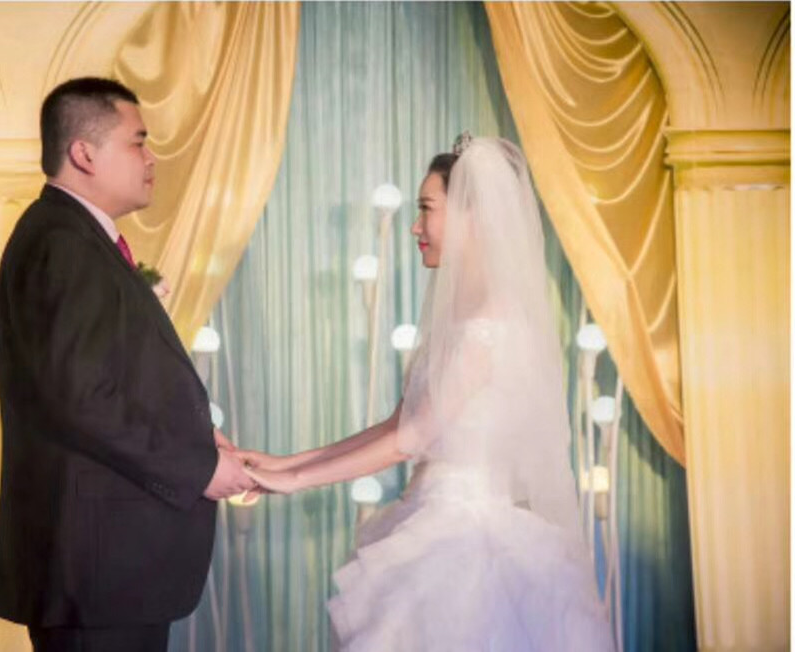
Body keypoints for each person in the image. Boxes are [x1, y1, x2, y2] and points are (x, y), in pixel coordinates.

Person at [241, 134, 615, 651]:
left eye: (426, 209)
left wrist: (294, 482)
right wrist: (283, 464)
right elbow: (396, 425)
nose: (415, 227)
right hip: (427, 514)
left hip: (465, 544)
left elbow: (409, 440)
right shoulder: (457, 317)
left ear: (470, 216)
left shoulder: (490, 323)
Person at [0, 77, 256, 652]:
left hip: (105, 568)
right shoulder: (64, 243)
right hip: (97, 569)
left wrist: (198, 437)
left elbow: (104, 381)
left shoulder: (72, 236)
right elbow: (81, 399)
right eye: (138, 142)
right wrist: (197, 468)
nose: (151, 158)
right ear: (84, 153)